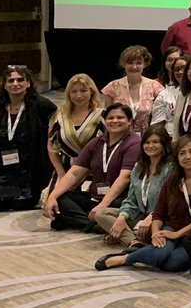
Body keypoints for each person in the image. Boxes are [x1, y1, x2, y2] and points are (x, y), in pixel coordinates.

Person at [95, 134, 191, 272]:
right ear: (177, 158)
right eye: (182, 153)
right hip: (172, 228)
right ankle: (123, 259)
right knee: (161, 253)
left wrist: (178, 234)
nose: (188, 157)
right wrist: (155, 233)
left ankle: (136, 255)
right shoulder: (172, 181)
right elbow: (159, 213)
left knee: (173, 264)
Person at [44, 101, 139, 231]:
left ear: (129, 122)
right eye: (110, 118)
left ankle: (80, 221)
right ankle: (96, 225)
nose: (115, 121)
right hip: (95, 198)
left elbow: (125, 177)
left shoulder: (134, 143)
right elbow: (75, 172)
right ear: (104, 121)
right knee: (61, 199)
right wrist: (52, 196)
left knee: (64, 217)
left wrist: (104, 204)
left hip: (119, 199)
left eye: (120, 117)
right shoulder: (96, 143)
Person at [0, 66, 58, 210]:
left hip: (28, 166)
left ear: (28, 83)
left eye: (20, 80)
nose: (15, 84)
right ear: (5, 85)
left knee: (24, 202)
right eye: (11, 80)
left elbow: (56, 121)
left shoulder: (40, 104)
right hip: (2, 165)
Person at [94, 125, 173, 249]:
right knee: (101, 214)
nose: (150, 146)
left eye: (155, 142)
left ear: (164, 144)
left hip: (161, 219)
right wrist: (121, 218)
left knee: (148, 231)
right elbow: (131, 199)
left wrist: (153, 216)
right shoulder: (139, 166)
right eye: (147, 142)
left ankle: (123, 236)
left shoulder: (171, 168)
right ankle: (133, 242)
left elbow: (171, 202)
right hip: (139, 215)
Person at [46, 73, 103, 192]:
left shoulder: (102, 115)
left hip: (95, 171)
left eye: (83, 91)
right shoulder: (59, 117)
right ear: (68, 94)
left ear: (91, 91)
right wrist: (61, 174)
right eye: (74, 91)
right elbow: (52, 148)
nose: (79, 95)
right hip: (66, 169)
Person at [101, 45, 165, 132]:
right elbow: (107, 119)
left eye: (138, 63)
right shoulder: (112, 88)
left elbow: (160, 118)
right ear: (123, 64)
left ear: (145, 64)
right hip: (120, 139)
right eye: (130, 63)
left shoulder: (155, 87)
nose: (134, 67)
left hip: (147, 141)